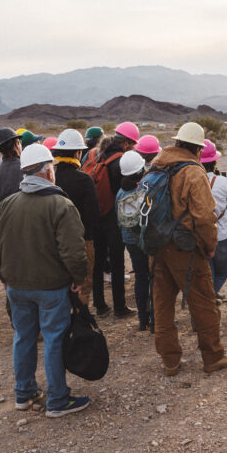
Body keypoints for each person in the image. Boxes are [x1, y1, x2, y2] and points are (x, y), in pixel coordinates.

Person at [0, 143, 90, 417]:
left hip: (16, 287)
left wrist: (2, 276)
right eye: (51, 167)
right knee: (54, 340)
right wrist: (79, 279)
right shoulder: (61, 205)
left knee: (23, 337)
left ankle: (25, 393)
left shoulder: (6, 205)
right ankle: (57, 400)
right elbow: (73, 251)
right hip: (51, 287)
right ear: (46, 172)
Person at [149, 122, 227, 376]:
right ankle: (213, 356)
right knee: (204, 303)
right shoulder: (193, 172)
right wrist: (209, 247)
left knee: (162, 305)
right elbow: (204, 217)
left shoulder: (156, 165)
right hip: (185, 249)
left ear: (177, 142)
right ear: (198, 148)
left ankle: (170, 361)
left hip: (157, 247)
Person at [85, 122, 139, 317]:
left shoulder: (96, 154)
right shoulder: (120, 161)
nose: (132, 147)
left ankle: (99, 305)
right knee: (117, 262)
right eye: (132, 144)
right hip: (113, 218)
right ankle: (119, 306)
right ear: (125, 143)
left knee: (98, 261)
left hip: (95, 216)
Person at [51, 128, 101, 304]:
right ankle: (79, 324)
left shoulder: (51, 178)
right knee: (82, 286)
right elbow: (94, 215)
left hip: (54, 242)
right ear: (78, 152)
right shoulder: (84, 180)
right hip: (82, 241)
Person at [116, 150, 154, 330]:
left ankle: (142, 319)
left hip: (129, 241)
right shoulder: (145, 189)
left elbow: (118, 221)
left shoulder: (120, 192)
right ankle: (155, 317)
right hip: (147, 239)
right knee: (154, 277)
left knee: (140, 277)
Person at [201, 139, 227, 300]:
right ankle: (211, 296)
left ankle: (210, 294)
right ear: (214, 162)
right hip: (222, 234)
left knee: (208, 272)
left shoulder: (193, 181)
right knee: (225, 270)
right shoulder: (222, 181)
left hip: (201, 235)